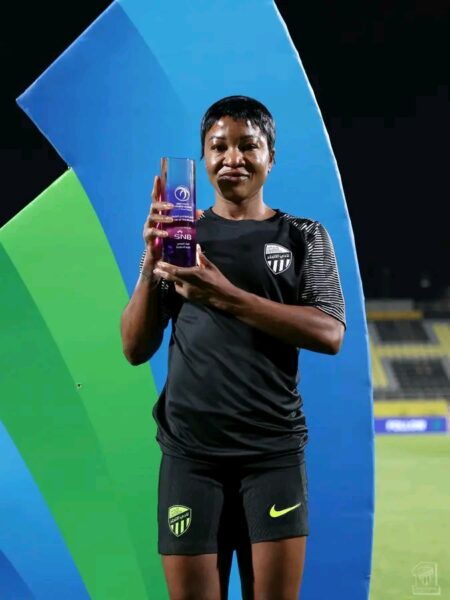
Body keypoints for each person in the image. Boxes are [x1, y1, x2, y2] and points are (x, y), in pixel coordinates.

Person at [120, 95, 346, 600]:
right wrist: (149, 262)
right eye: (219, 146)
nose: (232, 158)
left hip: (273, 454)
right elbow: (134, 348)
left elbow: (330, 332)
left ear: (271, 157)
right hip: (190, 456)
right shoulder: (181, 238)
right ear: (203, 157)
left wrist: (226, 296)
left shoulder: (303, 236)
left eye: (248, 145)